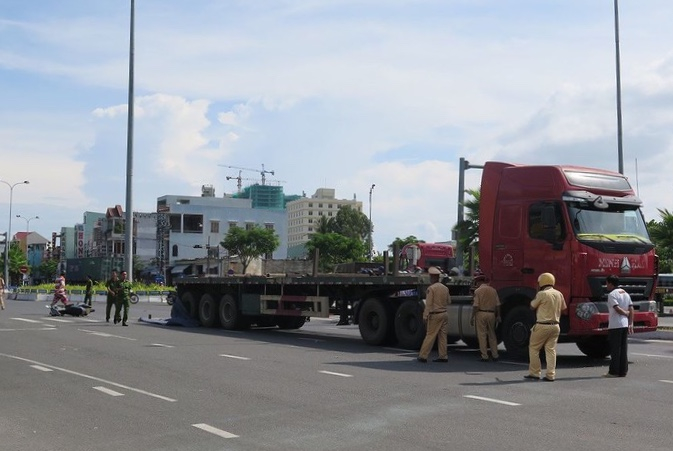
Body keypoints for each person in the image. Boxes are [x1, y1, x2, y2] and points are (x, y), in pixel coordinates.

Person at [525, 272, 567, 382]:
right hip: (555, 326)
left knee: (534, 348)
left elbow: (532, 306)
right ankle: (550, 375)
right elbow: (563, 309)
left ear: (542, 282)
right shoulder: (559, 294)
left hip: (542, 325)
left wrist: (536, 293)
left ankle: (534, 373)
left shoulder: (542, 294)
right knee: (551, 350)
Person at [417, 266, 451, 363]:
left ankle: (423, 356)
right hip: (444, 314)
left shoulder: (431, 289)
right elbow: (449, 301)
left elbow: (429, 304)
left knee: (430, 335)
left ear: (432, 277)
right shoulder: (445, 288)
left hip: (435, 314)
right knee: (443, 336)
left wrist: (425, 316)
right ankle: (443, 356)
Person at [604, 274, 633, 378]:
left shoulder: (612, 294)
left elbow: (616, 308)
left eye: (607, 283)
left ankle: (614, 371)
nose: (606, 285)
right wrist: (630, 322)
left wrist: (625, 313)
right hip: (624, 324)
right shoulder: (625, 293)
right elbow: (631, 307)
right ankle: (623, 371)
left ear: (611, 284)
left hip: (615, 325)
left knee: (615, 349)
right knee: (623, 348)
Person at [470, 275, 501, 362]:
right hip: (491, 314)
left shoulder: (478, 291)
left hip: (481, 313)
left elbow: (476, 306)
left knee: (482, 335)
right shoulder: (493, 290)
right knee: (492, 335)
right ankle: (495, 355)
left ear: (479, 282)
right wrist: (498, 315)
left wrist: (472, 317)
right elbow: (498, 304)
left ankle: (484, 356)